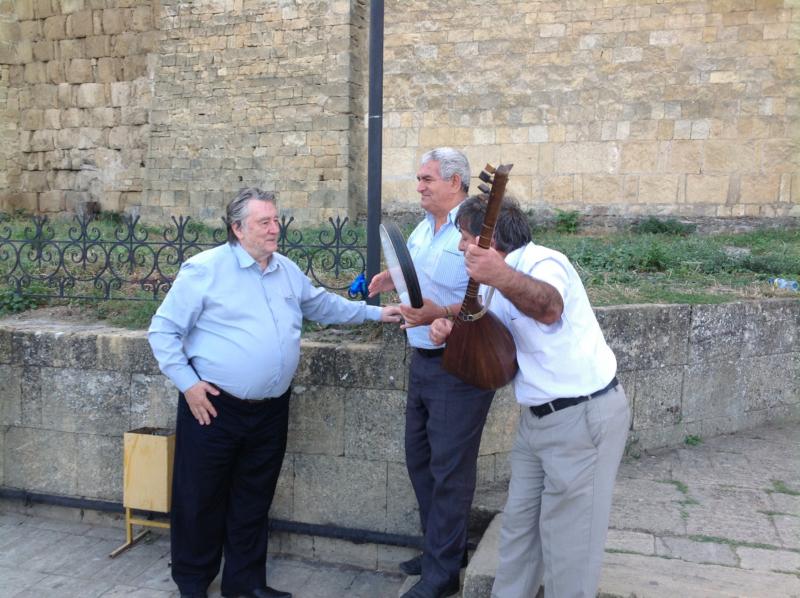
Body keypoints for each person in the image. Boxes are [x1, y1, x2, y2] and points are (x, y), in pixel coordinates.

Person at [148, 188, 401, 598]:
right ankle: (192, 582)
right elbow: (163, 331)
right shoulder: (205, 270)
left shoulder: (285, 269)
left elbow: (321, 305)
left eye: (276, 220)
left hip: (270, 410)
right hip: (214, 407)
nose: (274, 228)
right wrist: (189, 385)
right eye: (264, 222)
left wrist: (376, 313)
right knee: (200, 498)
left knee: (254, 498)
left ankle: (245, 584)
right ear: (237, 228)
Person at [429, 195, 631, 598]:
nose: (461, 246)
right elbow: (498, 343)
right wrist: (454, 331)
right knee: (518, 532)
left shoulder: (545, 262)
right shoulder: (494, 285)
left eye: (465, 237)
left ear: (489, 241)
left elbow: (548, 307)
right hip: (536, 420)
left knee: (570, 548)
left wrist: (500, 275)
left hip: (582, 418)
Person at [368, 148, 495, 598]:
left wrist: (439, 313)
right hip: (423, 358)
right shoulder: (424, 227)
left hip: (459, 365)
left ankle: (442, 576)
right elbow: (422, 275)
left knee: (449, 470)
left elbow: (487, 297)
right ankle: (443, 549)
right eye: (419, 179)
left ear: (455, 182)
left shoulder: (475, 229)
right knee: (420, 460)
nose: (419, 186)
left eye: (427, 179)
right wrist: (393, 277)